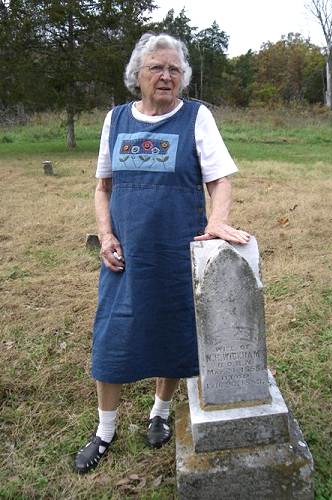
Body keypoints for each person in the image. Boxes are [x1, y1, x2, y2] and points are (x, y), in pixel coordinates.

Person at [74, 32, 250, 474]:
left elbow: (220, 179)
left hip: (176, 252)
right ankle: (105, 430)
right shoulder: (116, 120)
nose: (167, 76)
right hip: (125, 255)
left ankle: (160, 412)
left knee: (172, 335)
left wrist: (215, 221)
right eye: (157, 67)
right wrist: (106, 235)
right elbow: (103, 187)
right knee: (112, 339)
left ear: (183, 77)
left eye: (175, 69)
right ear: (138, 76)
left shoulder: (196, 118)